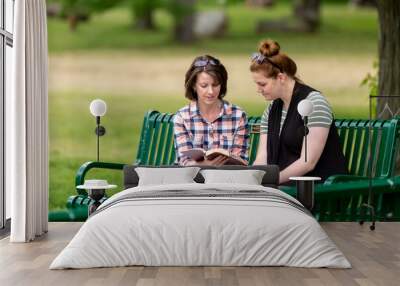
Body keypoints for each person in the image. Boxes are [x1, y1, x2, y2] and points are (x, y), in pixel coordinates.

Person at [250, 39, 348, 184]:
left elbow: (307, 162)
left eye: (262, 84)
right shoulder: (271, 110)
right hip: (285, 189)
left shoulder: (314, 104)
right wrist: (252, 180)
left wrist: (271, 181)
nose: (258, 90)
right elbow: (262, 157)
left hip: (318, 191)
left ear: (281, 77)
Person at [173, 55, 249, 166]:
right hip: (193, 180)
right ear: (194, 85)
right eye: (204, 85)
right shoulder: (182, 117)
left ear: (221, 84)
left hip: (228, 179)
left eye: (215, 85)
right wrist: (204, 165)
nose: (210, 91)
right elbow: (184, 161)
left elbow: (241, 161)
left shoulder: (238, 116)